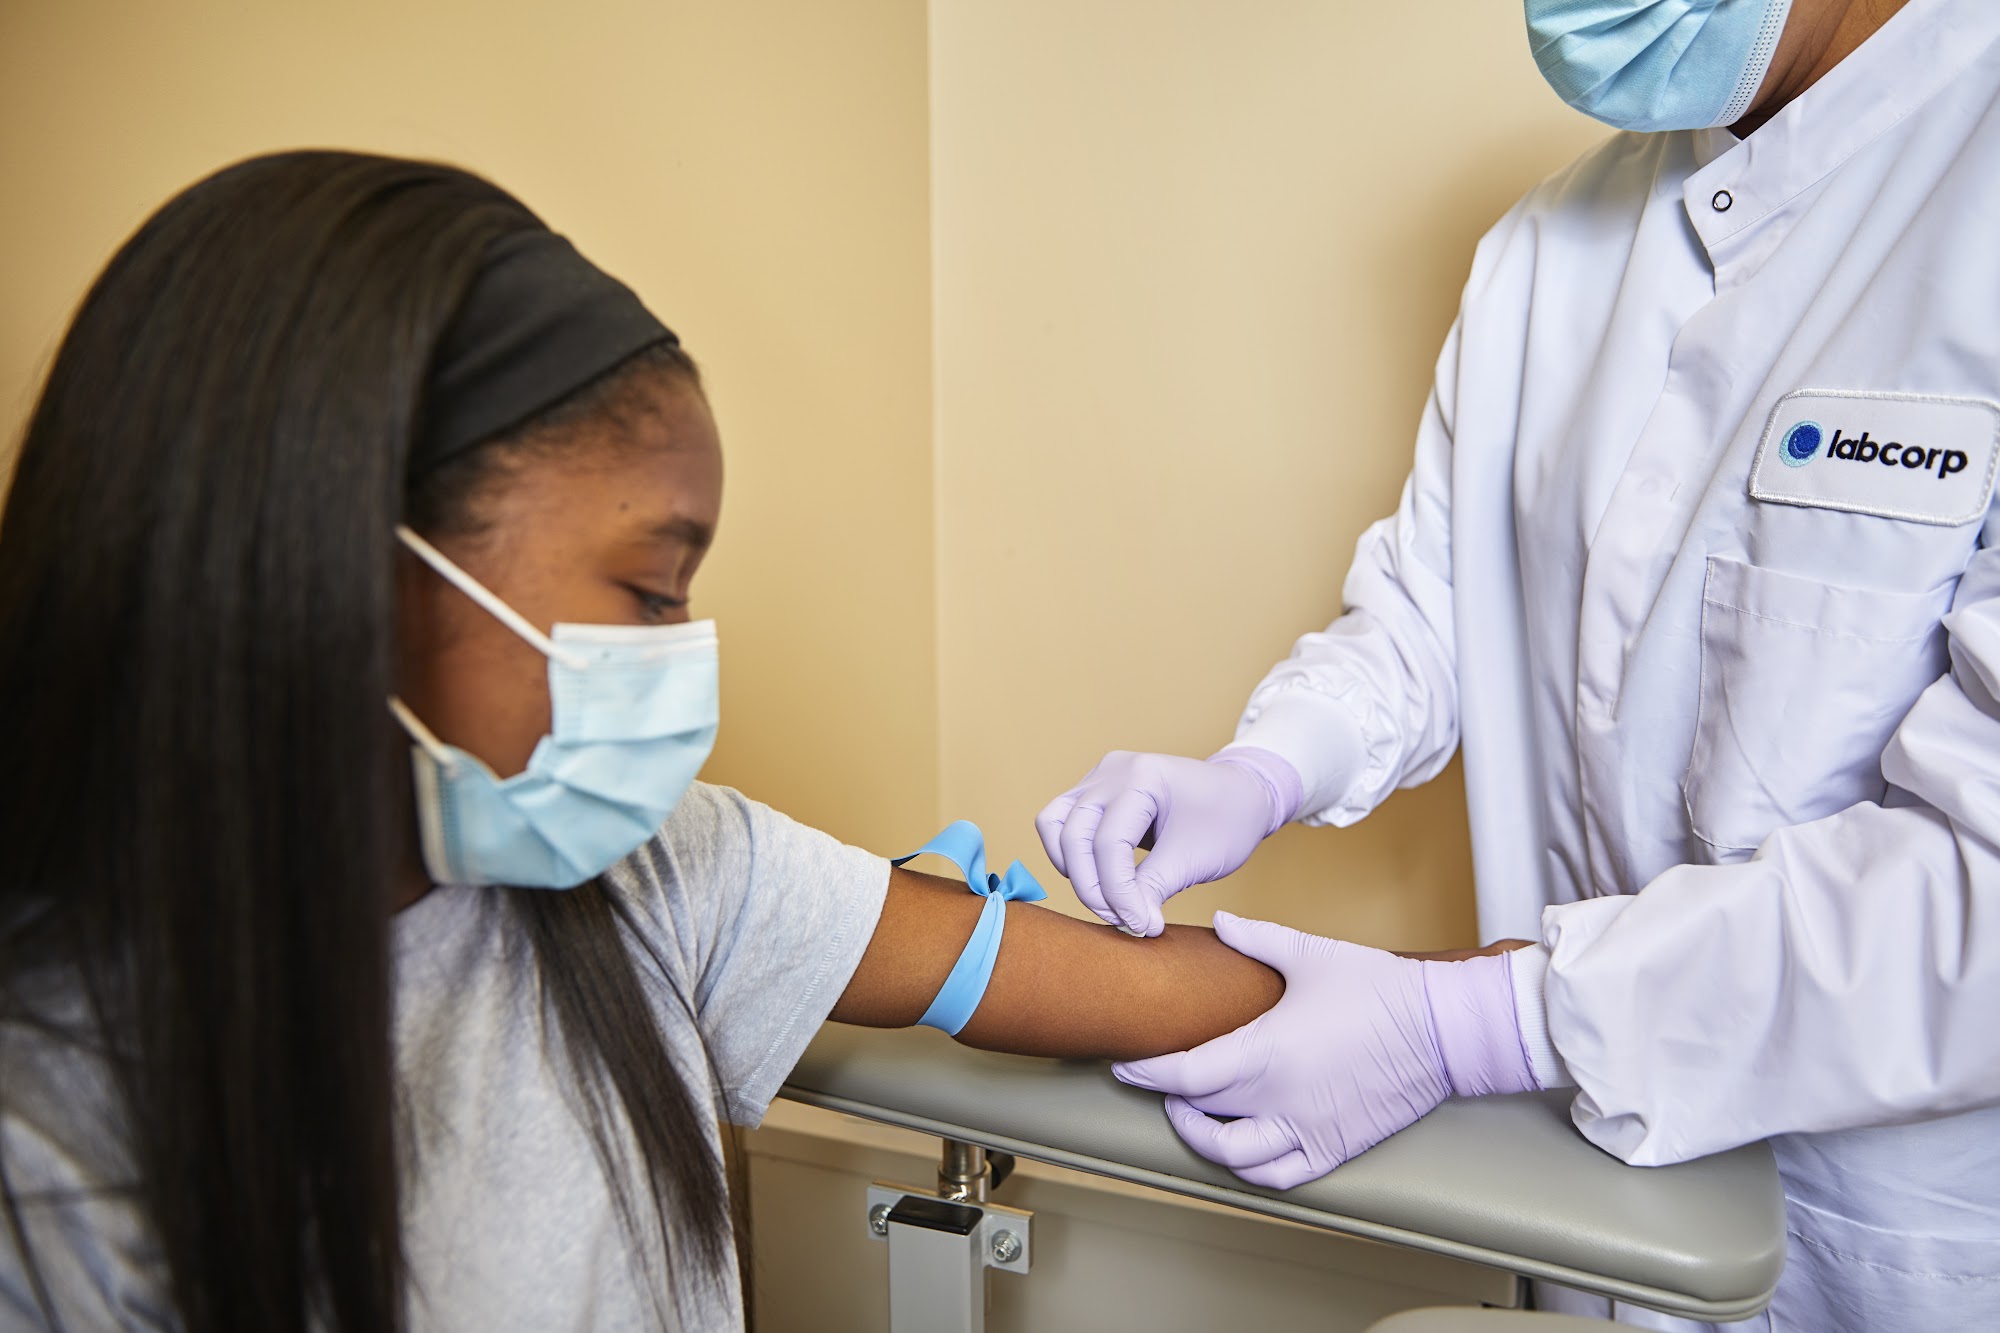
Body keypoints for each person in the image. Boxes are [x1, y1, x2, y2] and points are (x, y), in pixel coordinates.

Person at [0, 151, 1285, 1332]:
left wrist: (1413, 1001)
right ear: (348, 566)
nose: (678, 654)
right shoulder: (47, 1147)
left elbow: (1117, 983)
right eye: (650, 590)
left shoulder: (658, 873)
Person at [1036, 0, 2000, 1327]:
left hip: (1897, 1245)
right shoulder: (1549, 246)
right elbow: (1434, 607)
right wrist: (1272, 764)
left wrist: (1483, 1025)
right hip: (1590, 1204)